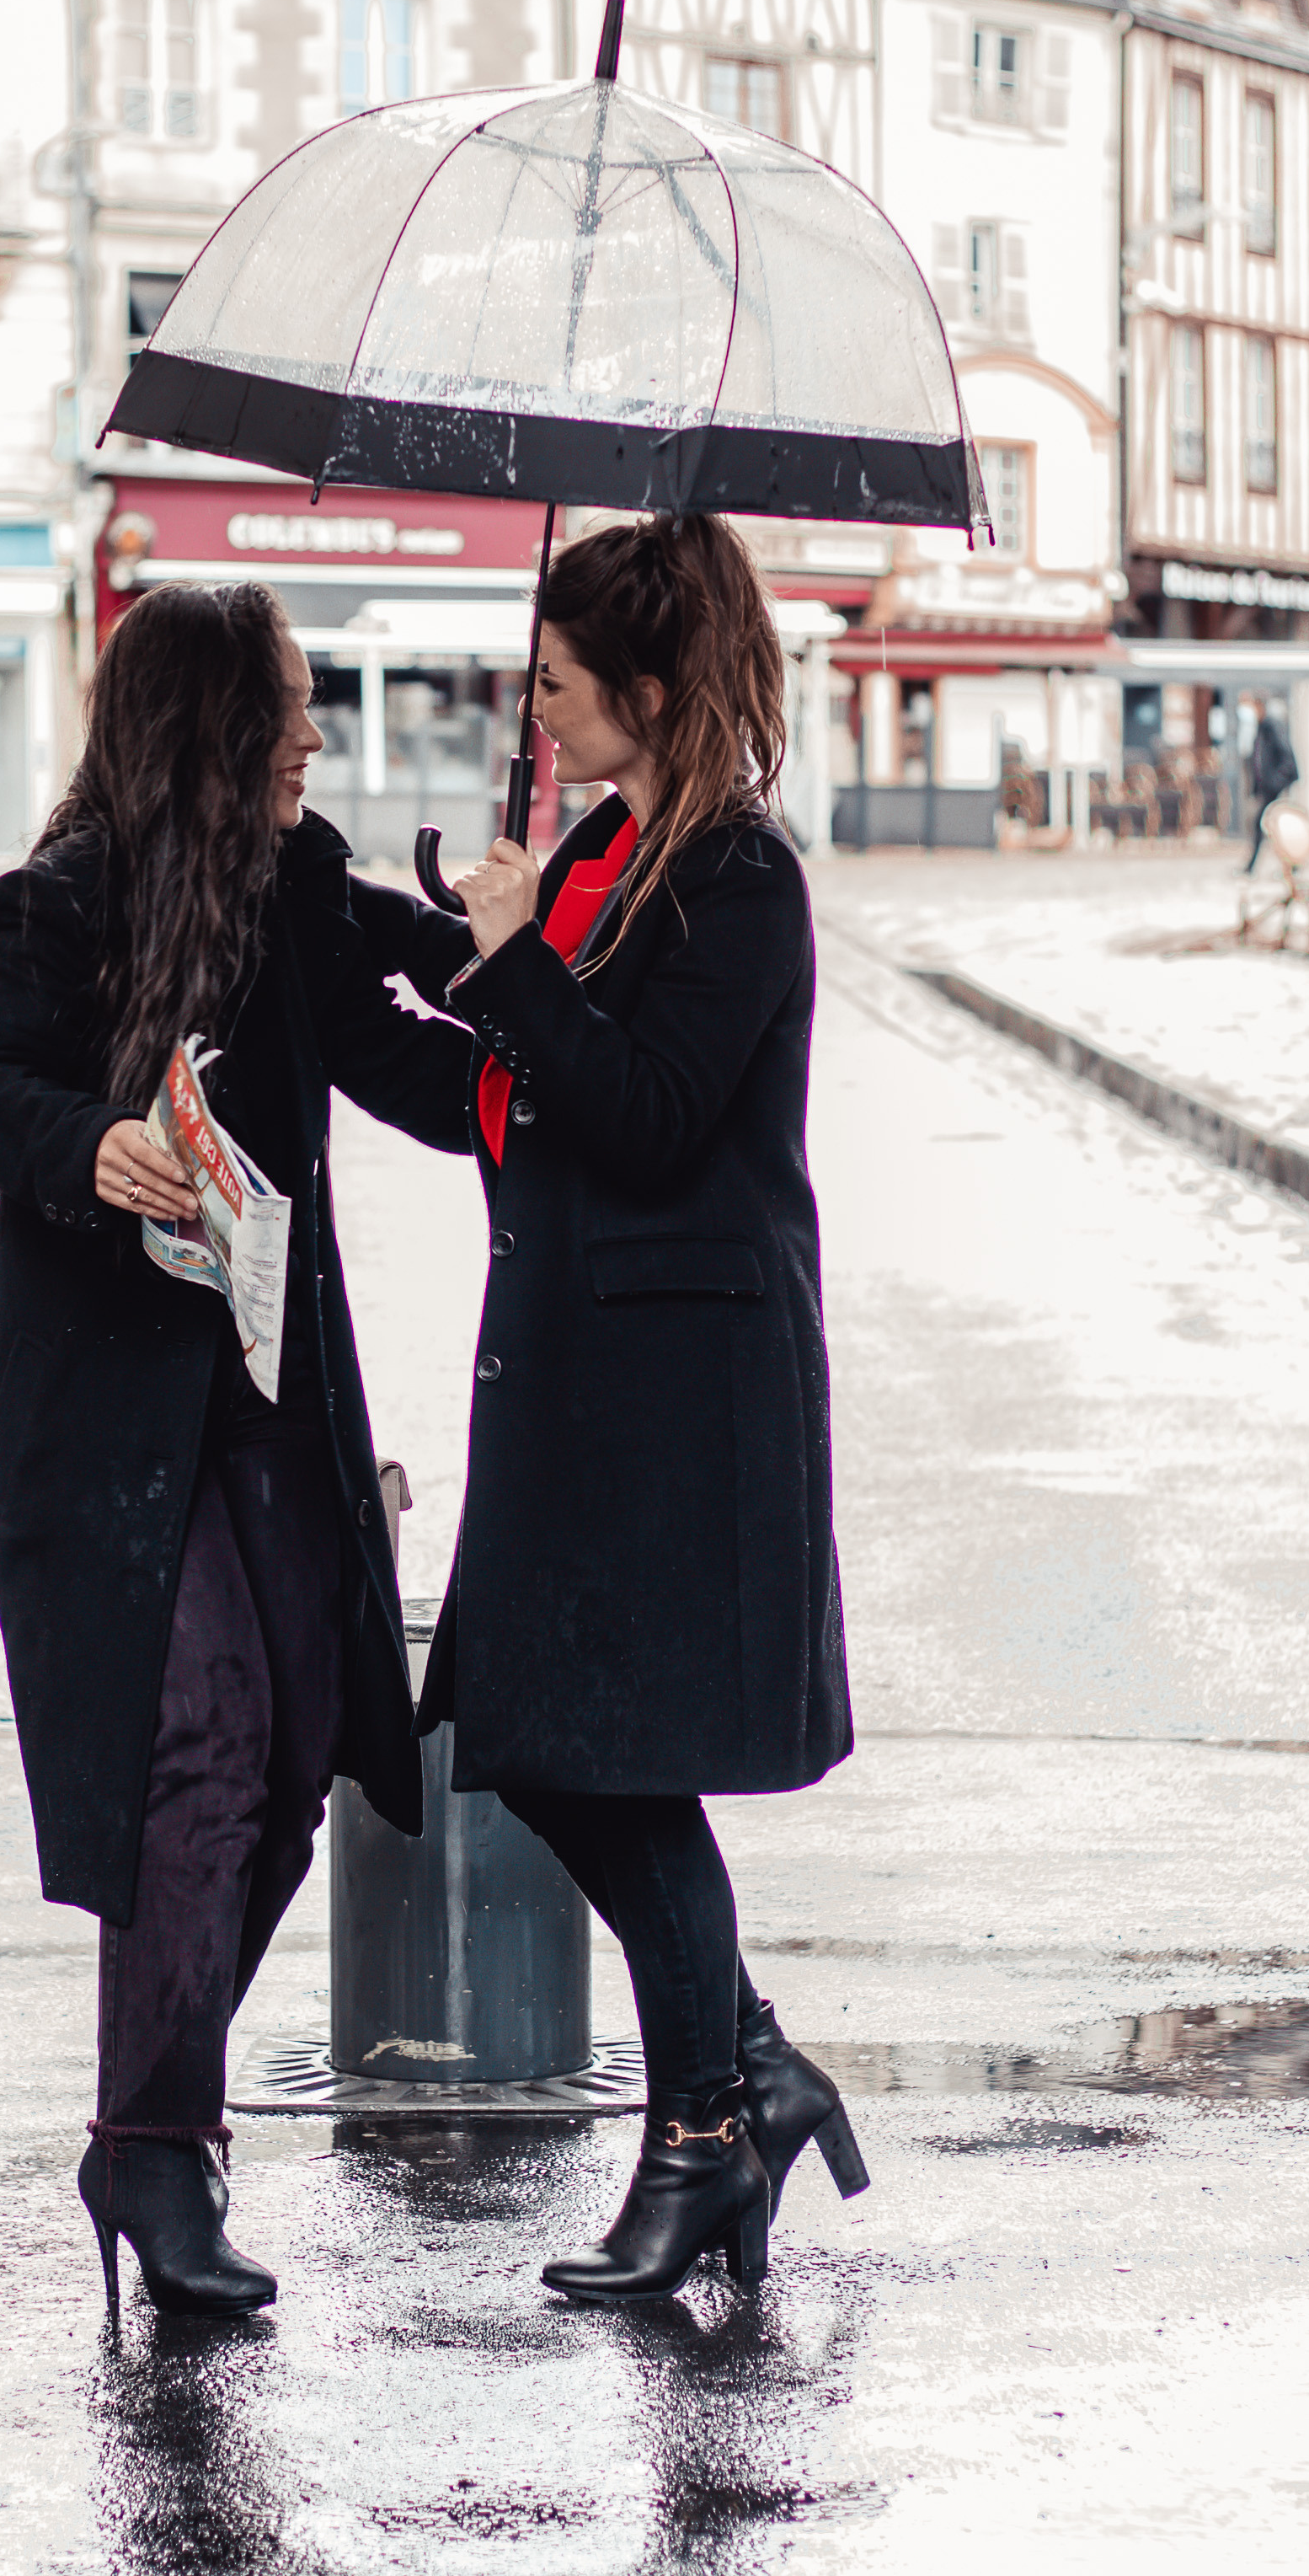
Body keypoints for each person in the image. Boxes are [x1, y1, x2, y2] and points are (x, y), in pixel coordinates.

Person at [0, 583, 471, 2319]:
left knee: (302, 1740)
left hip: (265, 1392)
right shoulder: (65, 899)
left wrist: (534, 998)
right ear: (211, 729)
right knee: (200, 1744)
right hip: (103, 1412)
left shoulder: (294, 888)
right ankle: (160, 2143)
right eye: (286, 707)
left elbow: (407, 1055)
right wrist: (89, 1144)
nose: (312, 735)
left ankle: (142, 2119)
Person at [361, 513, 866, 2306]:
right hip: (571, 1378)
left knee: (604, 1754)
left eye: (561, 683)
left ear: (647, 686)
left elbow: (643, 1112)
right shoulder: (602, 851)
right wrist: (352, 949)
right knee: (528, 1735)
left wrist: (506, 960)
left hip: (679, 1400)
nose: (540, 710)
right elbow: (508, 1093)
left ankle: (703, 2134)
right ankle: (746, 2070)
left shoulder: (736, 878)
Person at [1243, 698, 1298, 870]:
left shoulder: (1272, 726)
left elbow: (1286, 758)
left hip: (1275, 787)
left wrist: (1275, 782)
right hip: (1269, 787)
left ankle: (1290, 864)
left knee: (1273, 826)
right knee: (1272, 826)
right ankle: (1291, 865)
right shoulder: (1263, 727)